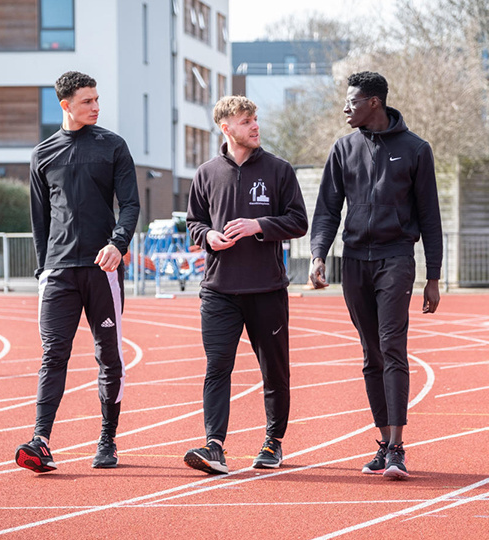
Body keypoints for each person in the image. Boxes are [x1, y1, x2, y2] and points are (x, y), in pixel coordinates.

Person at [309, 71, 442, 479]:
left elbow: (430, 217)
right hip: (354, 261)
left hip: (395, 258)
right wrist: (318, 255)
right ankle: (384, 444)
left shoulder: (416, 149)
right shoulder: (343, 148)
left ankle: (398, 448)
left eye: (352, 101)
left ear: (374, 103)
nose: (345, 108)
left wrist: (433, 277)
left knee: (392, 347)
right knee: (371, 354)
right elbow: (328, 209)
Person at [15, 71, 140, 473]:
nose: (96, 106)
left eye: (97, 99)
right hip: (58, 272)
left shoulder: (113, 146)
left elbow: (131, 205)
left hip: (103, 269)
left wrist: (117, 244)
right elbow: (39, 220)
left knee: (108, 355)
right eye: (87, 101)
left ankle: (107, 439)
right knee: (53, 354)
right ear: (65, 105)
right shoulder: (42, 155)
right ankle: (40, 440)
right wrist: (43, 269)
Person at [183, 96, 308, 475]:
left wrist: (260, 226)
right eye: (246, 121)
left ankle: (273, 442)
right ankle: (214, 446)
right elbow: (194, 222)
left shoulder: (279, 170)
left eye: (255, 119)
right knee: (217, 368)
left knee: (275, 371)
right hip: (218, 290)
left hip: (266, 290)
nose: (255, 126)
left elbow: (299, 221)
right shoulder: (206, 173)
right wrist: (208, 236)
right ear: (226, 128)